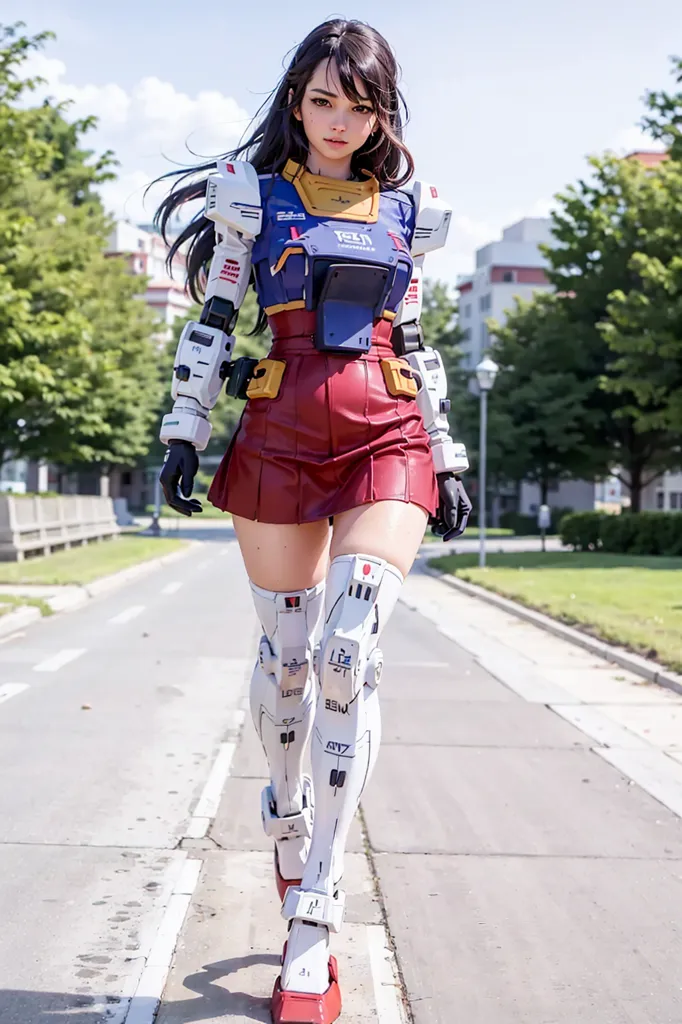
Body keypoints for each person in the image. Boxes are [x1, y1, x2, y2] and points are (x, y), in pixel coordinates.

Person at [155, 18, 471, 1024]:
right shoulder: (249, 200)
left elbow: (416, 340)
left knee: (348, 648)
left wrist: (449, 453)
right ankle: (286, 827)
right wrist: (183, 430)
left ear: (384, 110)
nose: (340, 121)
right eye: (323, 100)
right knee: (289, 658)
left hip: (386, 431)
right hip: (280, 430)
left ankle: (318, 911)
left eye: (360, 103)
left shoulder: (411, 213)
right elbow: (215, 319)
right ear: (297, 100)